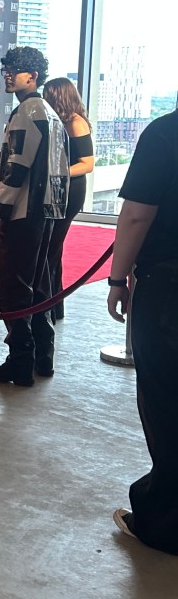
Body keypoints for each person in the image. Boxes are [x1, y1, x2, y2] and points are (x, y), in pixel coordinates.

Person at [107, 108, 178, 551]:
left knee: (166, 399)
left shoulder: (166, 133)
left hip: (169, 287)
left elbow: (137, 214)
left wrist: (117, 278)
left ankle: (164, 521)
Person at [0, 46, 69, 387]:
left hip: (22, 214)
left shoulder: (28, 111)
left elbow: (15, 169)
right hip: (45, 212)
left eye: (14, 69)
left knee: (13, 288)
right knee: (39, 287)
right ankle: (42, 356)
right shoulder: (49, 112)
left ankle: (20, 362)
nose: (7, 74)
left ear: (32, 76)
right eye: (7, 68)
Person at [42, 77, 95, 321]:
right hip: (57, 188)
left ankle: (49, 307)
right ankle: (53, 307)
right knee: (52, 249)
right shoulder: (58, 121)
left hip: (70, 190)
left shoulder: (75, 122)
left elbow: (87, 164)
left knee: (51, 249)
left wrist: (57, 172)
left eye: (48, 96)